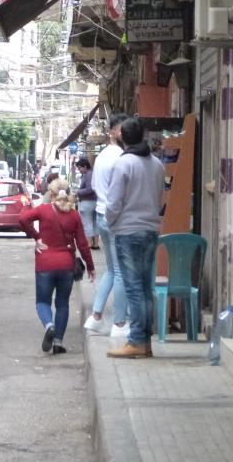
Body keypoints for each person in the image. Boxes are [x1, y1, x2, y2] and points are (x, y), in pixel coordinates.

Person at [105, 117, 165, 359]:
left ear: (122, 138)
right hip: (150, 230)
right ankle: (145, 341)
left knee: (133, 288)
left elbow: (113, 202)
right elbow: (160, 198)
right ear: (143, 136)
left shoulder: (124, 164)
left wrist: (111, 223)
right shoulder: (157, 165)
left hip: (128, 232)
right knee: (145, 287)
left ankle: (137, 340)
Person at [19, 178, 95, 355]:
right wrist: (90, 266)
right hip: (66, 265)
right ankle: (58, 342)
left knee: (42, 302)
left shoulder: (44, 210)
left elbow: (23, 218)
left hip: (45, 263)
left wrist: (36, 236)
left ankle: (49, 325)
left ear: (50, 194)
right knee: (62, 304)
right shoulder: (74, 215)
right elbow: (83, 244)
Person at [84, 113, 129, 337]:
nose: (125, 133)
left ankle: (96, 316)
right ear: (112, 132)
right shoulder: (120, 157)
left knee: (112, 270)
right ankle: (120, 324)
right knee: (120, 272)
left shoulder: (102, 156)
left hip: (102, 215)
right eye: (122, 129)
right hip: (114, 218)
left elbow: (93, 185)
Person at [75, 159, 98, 249]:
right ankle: (95, 243)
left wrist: (78, 191)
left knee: (87, 223)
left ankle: (88, 243)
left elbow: (89, 189)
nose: (79, 169)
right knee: (95, 223)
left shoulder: (88, 175)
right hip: (95, 202)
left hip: (87, 202)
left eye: (79, 167)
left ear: (85, 166)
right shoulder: (93, 174)